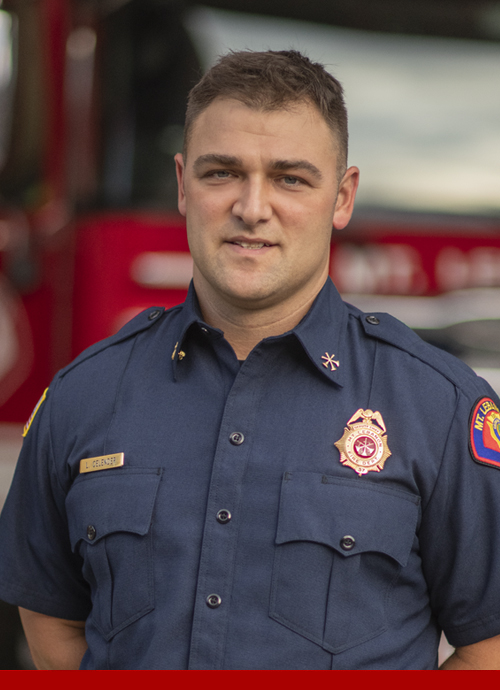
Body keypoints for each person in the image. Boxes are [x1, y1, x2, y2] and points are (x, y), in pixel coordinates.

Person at [1, 50, 500, 670]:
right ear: (183, 185)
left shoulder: (442, 407)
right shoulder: (83, 396)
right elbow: (51, 619)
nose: (253, 207)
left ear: (342, 198)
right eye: (222, 174)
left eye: (291, 178)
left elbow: (490, 644)